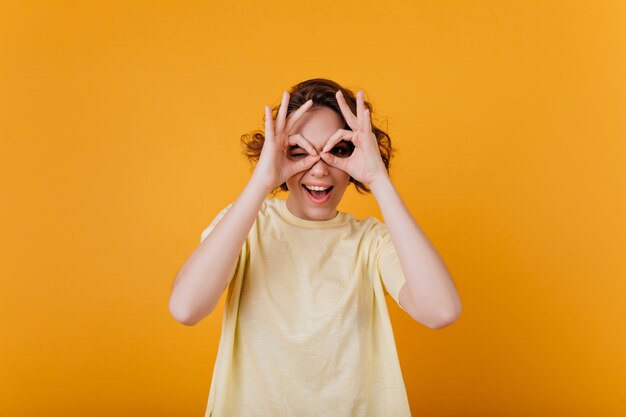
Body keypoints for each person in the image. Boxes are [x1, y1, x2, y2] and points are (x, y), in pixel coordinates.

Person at [169, 78, 462, 417]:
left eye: (338, 150)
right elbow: (185, 308)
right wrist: (262, 183)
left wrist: (378, 180)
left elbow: (441, 310)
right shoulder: (246, 226)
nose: (320, 167)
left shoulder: (371, 241)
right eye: (299, 151)